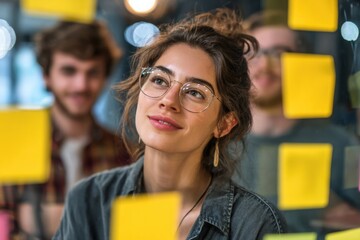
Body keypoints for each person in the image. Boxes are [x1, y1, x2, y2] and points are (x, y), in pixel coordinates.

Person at [53, 8, 287, 240]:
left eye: (195, 92)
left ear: (224, 124)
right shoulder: (88, 200)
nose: (168, 100)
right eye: (159, 80)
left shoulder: (255, 223)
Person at [231, 10, 360, 236]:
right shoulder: (217, 147)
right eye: (253, 53)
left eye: (280, 53)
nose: (265, 64)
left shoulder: (339, 144)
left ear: (302, 63)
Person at [14, 20, 131, 239]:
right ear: (46, 76)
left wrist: (42, 218)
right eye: (69, 71)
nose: (81, 85)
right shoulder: (12, 143)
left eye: (93, 73)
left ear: (105, 78)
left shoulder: (125, 152)